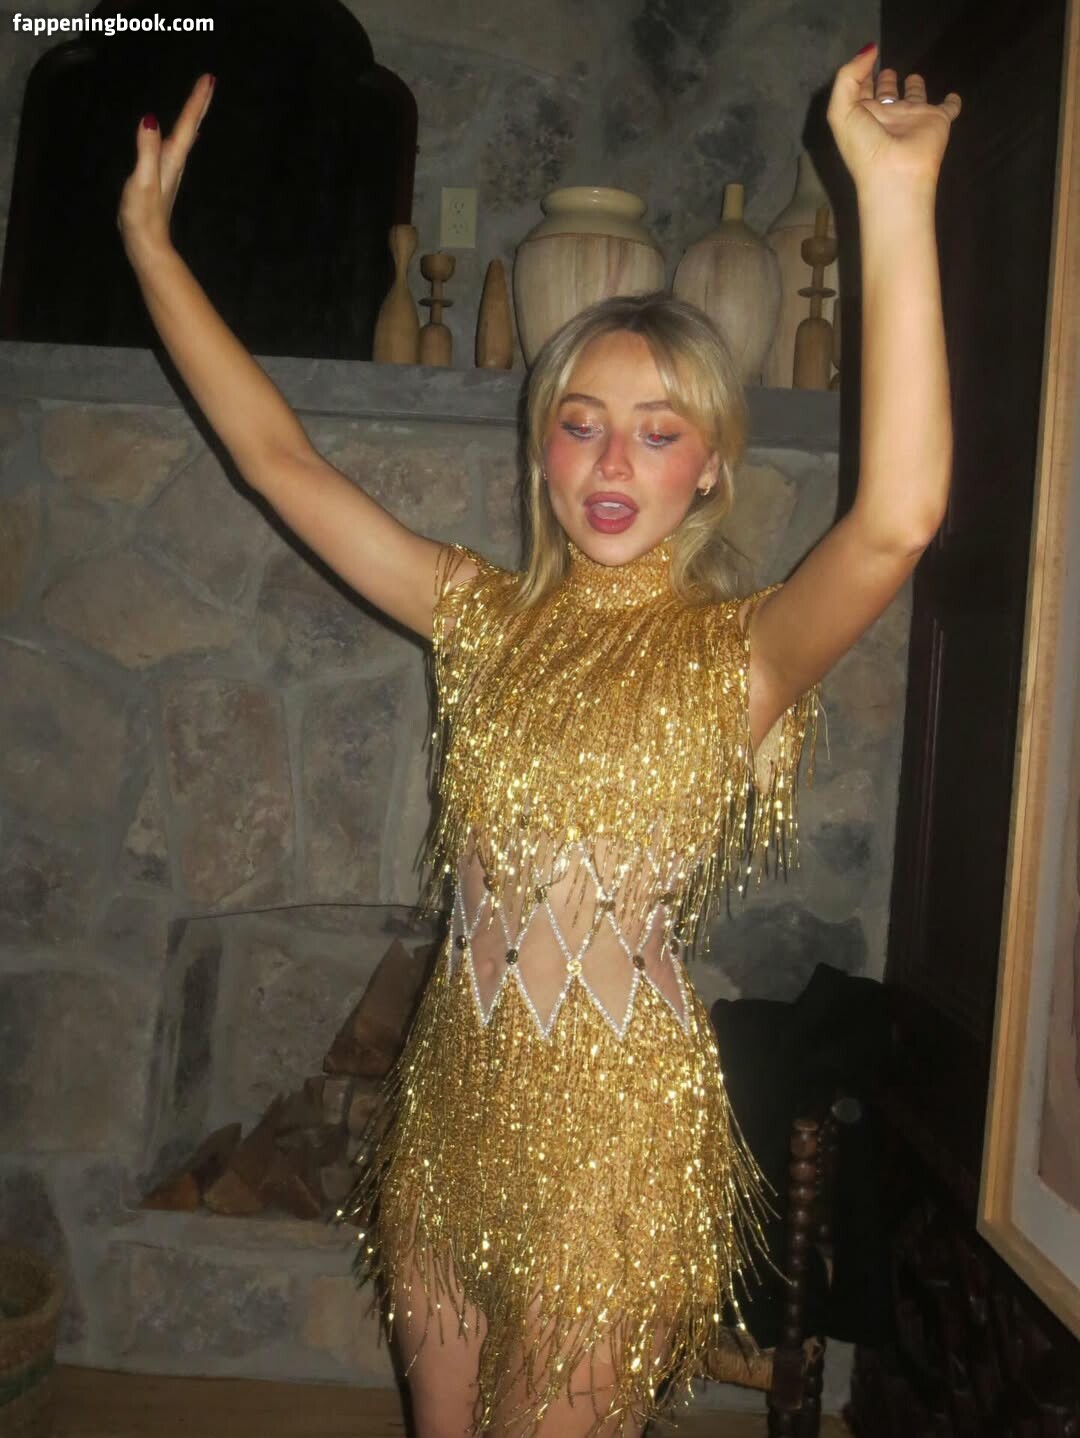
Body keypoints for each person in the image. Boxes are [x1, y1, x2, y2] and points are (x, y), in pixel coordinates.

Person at [118, 42, 960, 1438]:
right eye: (582, 425)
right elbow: (280, 461)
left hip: (614, 1150)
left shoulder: (740, 654)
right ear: (543, 449)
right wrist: (152, 247)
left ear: (711, 466)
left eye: (657, 432)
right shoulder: (478, 616)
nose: (614, 463)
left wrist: (896, 194)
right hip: (452, 1105)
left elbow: (899, 518)